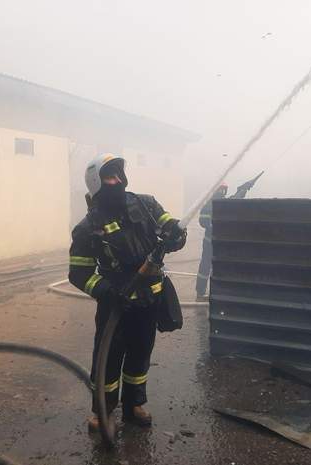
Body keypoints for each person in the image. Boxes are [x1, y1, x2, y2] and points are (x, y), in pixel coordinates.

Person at [68, 153, 187, 433]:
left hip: (149, 299)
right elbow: (79, 273)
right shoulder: (88, 227)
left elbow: (172, 230)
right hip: (116, 305)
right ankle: (103, 410)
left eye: (120, 174)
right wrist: (107, 292)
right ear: (97, 183)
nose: (118, 180)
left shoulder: (146, 204)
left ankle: (134, 405)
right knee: (108, 358)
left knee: (140, 353)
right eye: (110, 176)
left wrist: (177, 234)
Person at [196, 178, 256, 301]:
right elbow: (203, 220)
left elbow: (233, 202)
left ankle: (219, 292)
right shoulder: (210, 203)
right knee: (205, 267)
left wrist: (243, 190)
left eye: (224, 190)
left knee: (220, 267)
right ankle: (200, 293)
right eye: (221, 190)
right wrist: (215, 224)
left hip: (220, 241)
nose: (222, 192)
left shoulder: (223, 202)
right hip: (210, 241)